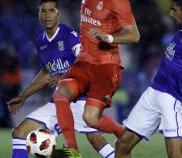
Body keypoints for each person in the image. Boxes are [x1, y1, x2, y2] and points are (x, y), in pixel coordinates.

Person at [115, 0, 182, 158]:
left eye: (174, 10)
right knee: (122, 145)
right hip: (153, 92)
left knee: (175, 154)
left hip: (172, 98)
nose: (170, 14)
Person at [7, 0, 115, 158]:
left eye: (51, 10)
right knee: (19, 133)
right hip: (59, 101)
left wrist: (63, 77)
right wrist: (23, 96)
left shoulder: (70, 36)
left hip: (80, 98)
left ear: (59, 13)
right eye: (43, 11)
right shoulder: (40, 42)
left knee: (95, 139)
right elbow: (45, 72)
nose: (47, 15)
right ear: (39, 15)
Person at [52, 0, 140, 157]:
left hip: (106, 66)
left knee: (90, 118)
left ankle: (124, 133)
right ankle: (73, 150)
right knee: (60, 95)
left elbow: (134, 35)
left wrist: (108, 38)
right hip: (84, 63)